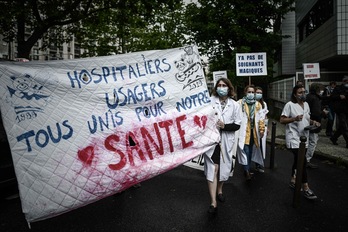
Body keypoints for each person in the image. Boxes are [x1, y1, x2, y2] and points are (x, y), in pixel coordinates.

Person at [203, 78, 241, 214]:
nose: (221, 87)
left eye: (224, 85)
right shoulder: (209, 101)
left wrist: (225, 126)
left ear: (229, 88)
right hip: (212, 140)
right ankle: (213, 202)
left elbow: (237, 125)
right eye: (219, 85)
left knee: (224, 169)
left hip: (226, 140)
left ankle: (220, 189)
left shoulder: (235, 105)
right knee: (213, 169)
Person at [280, 84, 319, 200]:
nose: (303, 94)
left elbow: (307, 118)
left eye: (304, 92)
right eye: (300, 93)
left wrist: (313, 122)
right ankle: (306, 187)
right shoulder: (290, 105)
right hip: (293, 138)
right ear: (295, 95)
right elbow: (282, 119)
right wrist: (294, 119)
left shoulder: (306, 104)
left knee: (298, 160)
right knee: (302, 162)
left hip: (304, 138)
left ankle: (293, 179)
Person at [236, 85, 265, 181]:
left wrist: (261, 130)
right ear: (245, 92)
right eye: (249, 92)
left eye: (253, 92)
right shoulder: (240, 103)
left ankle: (247, 169)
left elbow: (261, 119)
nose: (251, 94)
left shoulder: (258, 105)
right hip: (243, 132)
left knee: (251, 151)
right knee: (246, 151)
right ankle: (247, 171)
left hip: (253, 133)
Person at [305, 83, 325, 169]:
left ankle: (303, 159)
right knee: (313, 142)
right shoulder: (315, 98)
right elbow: (316, 112)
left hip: (306, 122)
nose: (321, 91)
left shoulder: (308, 97)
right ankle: (307, 160)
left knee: (307, 141)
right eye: (320, 89)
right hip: (314, 123)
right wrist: (323, 113)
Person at [330, 76, 348, 148]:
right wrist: (339, 96)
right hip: (341, 110)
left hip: (347, 110)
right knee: (344, 126)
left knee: (342, 127)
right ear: (343, 81)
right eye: (346, 80)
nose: (347, 82)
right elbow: (332, 97)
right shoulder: (338, 88)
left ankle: (334, 138)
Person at [254, 86, 269, 172]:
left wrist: (267, 128)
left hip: (262, 128)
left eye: (260, 93)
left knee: (261, 146)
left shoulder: (264, 104)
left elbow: (265, 116)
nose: (259, 94)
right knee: (254, 146)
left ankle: (258, 164)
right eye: (257, 92)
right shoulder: (252, 103)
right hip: (255, 127)